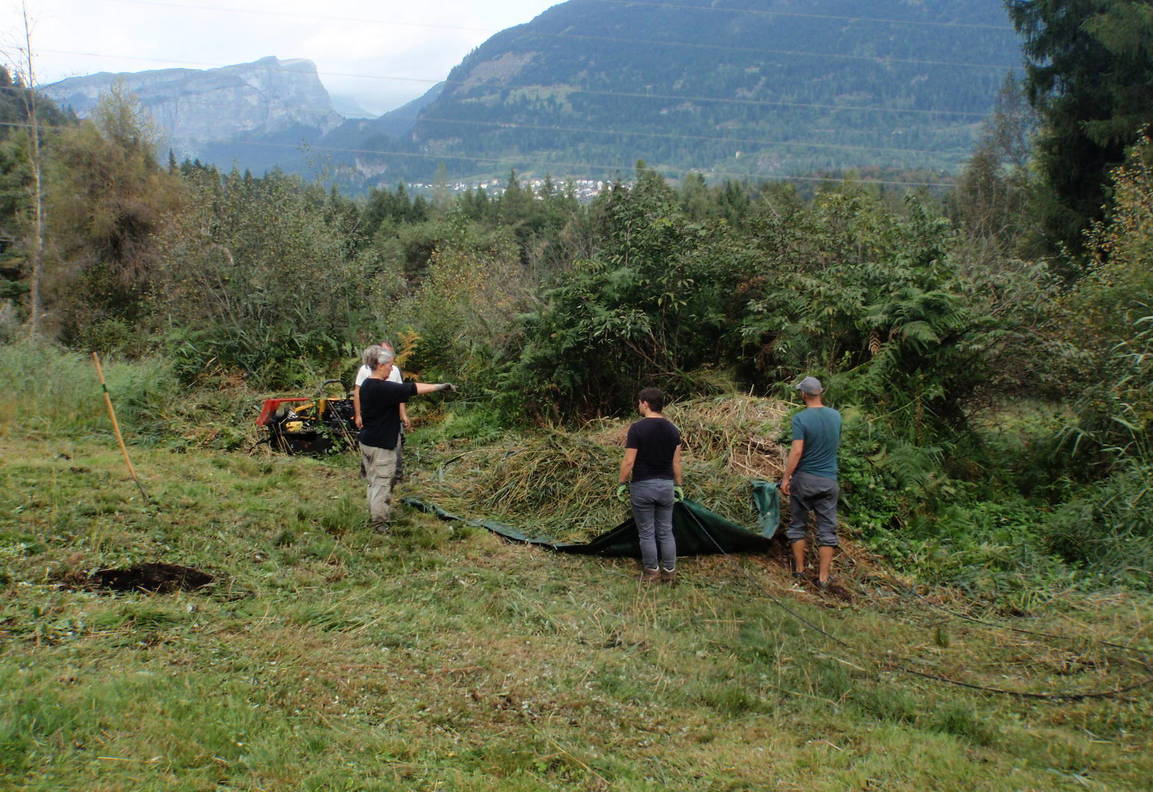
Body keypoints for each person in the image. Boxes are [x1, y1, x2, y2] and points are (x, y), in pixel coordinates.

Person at [358, 344, 453, 532]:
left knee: (374, 481)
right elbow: (412, 388)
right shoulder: (381, 388)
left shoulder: (367, 384)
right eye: (389, 365)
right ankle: (379, 524)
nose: (391, 369)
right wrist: (440, 386)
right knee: (382, 483)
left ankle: (375, 513)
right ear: (380, 365)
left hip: (368, 441)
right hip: (380, 445)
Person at [780, 376, 842, 589]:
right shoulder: (836, 416)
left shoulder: (801, 418)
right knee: (827, 530)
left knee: (798, 525)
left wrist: (786, 478)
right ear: (820, 392)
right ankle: (823, 578)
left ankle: (799, 571)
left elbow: (797, 451)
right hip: (829, 480)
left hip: (805, 480)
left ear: (803, 394)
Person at [616, 387, 684, 583]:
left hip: (643, 487)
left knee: (646, 533)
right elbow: (676, 463)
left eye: (639, 402)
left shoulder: (637, 428)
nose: (638, 406)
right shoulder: (673, 430)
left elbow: (629, 461)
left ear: (645, 403)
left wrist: (622, 482)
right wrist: (678, 485)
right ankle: (670, 572)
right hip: (666, 487)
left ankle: (652, 572)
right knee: (666, 531)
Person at [354, 341, 409, 482]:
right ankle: (366, 473)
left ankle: (397, 477)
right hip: (372, 415)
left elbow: (400, 393)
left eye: (390, 353)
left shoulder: (394, 370)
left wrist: (403, 414)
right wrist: (358, 414)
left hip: (391, 416)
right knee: (371, 444)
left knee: (396, 445)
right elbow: (357, 393)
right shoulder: (365, 370)